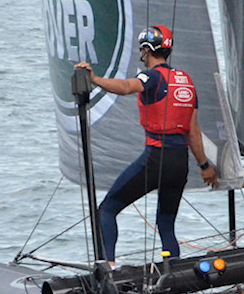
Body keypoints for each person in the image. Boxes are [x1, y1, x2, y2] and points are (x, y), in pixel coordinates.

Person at [82, 25, 218, 263]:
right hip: (180, 162)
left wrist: (93, 79)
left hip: (156, 158)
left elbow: (125, 87)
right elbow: (193, 132)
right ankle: (173, 274)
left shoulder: (152, 76)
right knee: (166, 221)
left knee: (107, 209)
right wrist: (205, 166)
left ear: (147, 50)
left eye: (142, 49)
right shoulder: (186, 82)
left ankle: (109, 270)